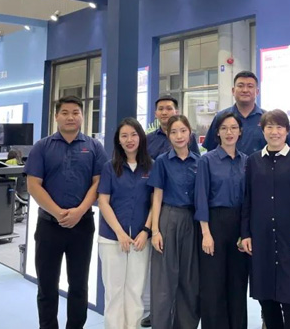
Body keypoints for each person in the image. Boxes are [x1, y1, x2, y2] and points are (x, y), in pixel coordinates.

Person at [24, 95, 107, 329]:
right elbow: (33, 185)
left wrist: (79, 211)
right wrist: (58, 212)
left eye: (75, 113)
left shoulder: (94, 147)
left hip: (82, 225)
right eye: (65, 113)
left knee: (79, 285)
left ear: (82, 116)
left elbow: (99, 183)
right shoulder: (42, 147)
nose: (71, 117)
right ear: (56, 116)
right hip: (49, 225)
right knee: (47, 285)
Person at [241, 109, 290, 329]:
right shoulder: (253, 161)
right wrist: (245, 234)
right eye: (269, 127)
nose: (275, 132)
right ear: (262, 131)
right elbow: (247, 200)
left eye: (279, 127)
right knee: (267, 301)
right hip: (261, 239)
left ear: (287, 130)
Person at [142, 95, 198, 327]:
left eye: (183, 131)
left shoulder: (199, 162)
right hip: (168, 217)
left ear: (190, 134)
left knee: (189, 277)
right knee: (163, 278)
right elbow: (157, 196)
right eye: (174, 132)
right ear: (168, 135)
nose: (179, 136)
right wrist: (155, 230)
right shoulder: (162, 162)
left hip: (191, 220)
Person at [98, 118, 153, 329]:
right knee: (114, 292)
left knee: (135, 291)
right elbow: (103, 202)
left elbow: (155, 203)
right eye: (124, 136)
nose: (129, 140)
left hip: (141, 239)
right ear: (118, 141)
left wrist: (146, 231)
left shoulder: (151, 166)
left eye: (133, 135)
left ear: (141, 137)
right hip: (112, 239)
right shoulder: (110, 167)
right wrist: (120, 233)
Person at [195, 112, 248, 329]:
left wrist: (246, 232)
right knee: (213, 284)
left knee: (238, 283)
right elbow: (201, 197)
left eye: (234, 128)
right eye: (224, 128)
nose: (229, 132)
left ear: (240, 132)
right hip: (214, 223)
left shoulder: (246, 161)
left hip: (240, 224)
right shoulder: (207, 160)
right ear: (217, 132)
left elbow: (249, 199)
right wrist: (206, 233)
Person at [203, 71, 266, 155]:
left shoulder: (267, 118)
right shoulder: (221, 117)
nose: (245, 90)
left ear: (257, 92)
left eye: (250, 86)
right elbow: (211, 150)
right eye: (240, 86)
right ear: (233, 91)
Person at [146, 95, 200, 159]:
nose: (164, 113)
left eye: (169, 109)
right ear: (155, 114)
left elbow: (196, 160)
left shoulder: (188, 136)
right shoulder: (148, 139)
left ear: (176, 112)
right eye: (160, 109)